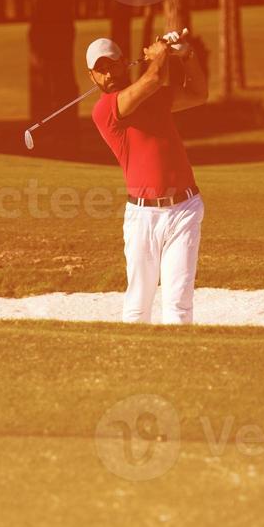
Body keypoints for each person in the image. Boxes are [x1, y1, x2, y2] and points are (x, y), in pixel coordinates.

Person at [87, 33, 208, 325]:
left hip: (184, 210)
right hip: (143, 216)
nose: (108, 73)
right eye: (100, 69)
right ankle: (134, 368)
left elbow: (198, 94)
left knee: (178, 304)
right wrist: (161, 53)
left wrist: (187, 55)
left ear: (123, 65)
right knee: (138, 305)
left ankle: (177, 369)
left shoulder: (155, 98)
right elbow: (153, 79)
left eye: (113, 65)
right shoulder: (105, 110)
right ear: (91, 77)